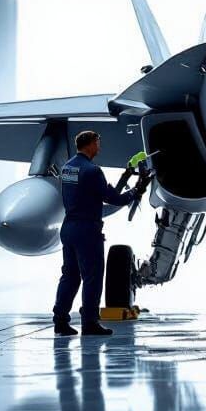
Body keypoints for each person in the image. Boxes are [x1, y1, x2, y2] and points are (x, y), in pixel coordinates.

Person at [54, 130, 147, 337]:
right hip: (88, 230)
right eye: (98, 142)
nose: (100, 147)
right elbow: (113, 199)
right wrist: (136, 191)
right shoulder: (93, 171)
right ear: (90, 144)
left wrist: (125, 177)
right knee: (92, 278)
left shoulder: (67, 168)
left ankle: (60, 321)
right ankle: (89, 323)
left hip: (69, 228)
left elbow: (96, 193)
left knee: (69, 276)